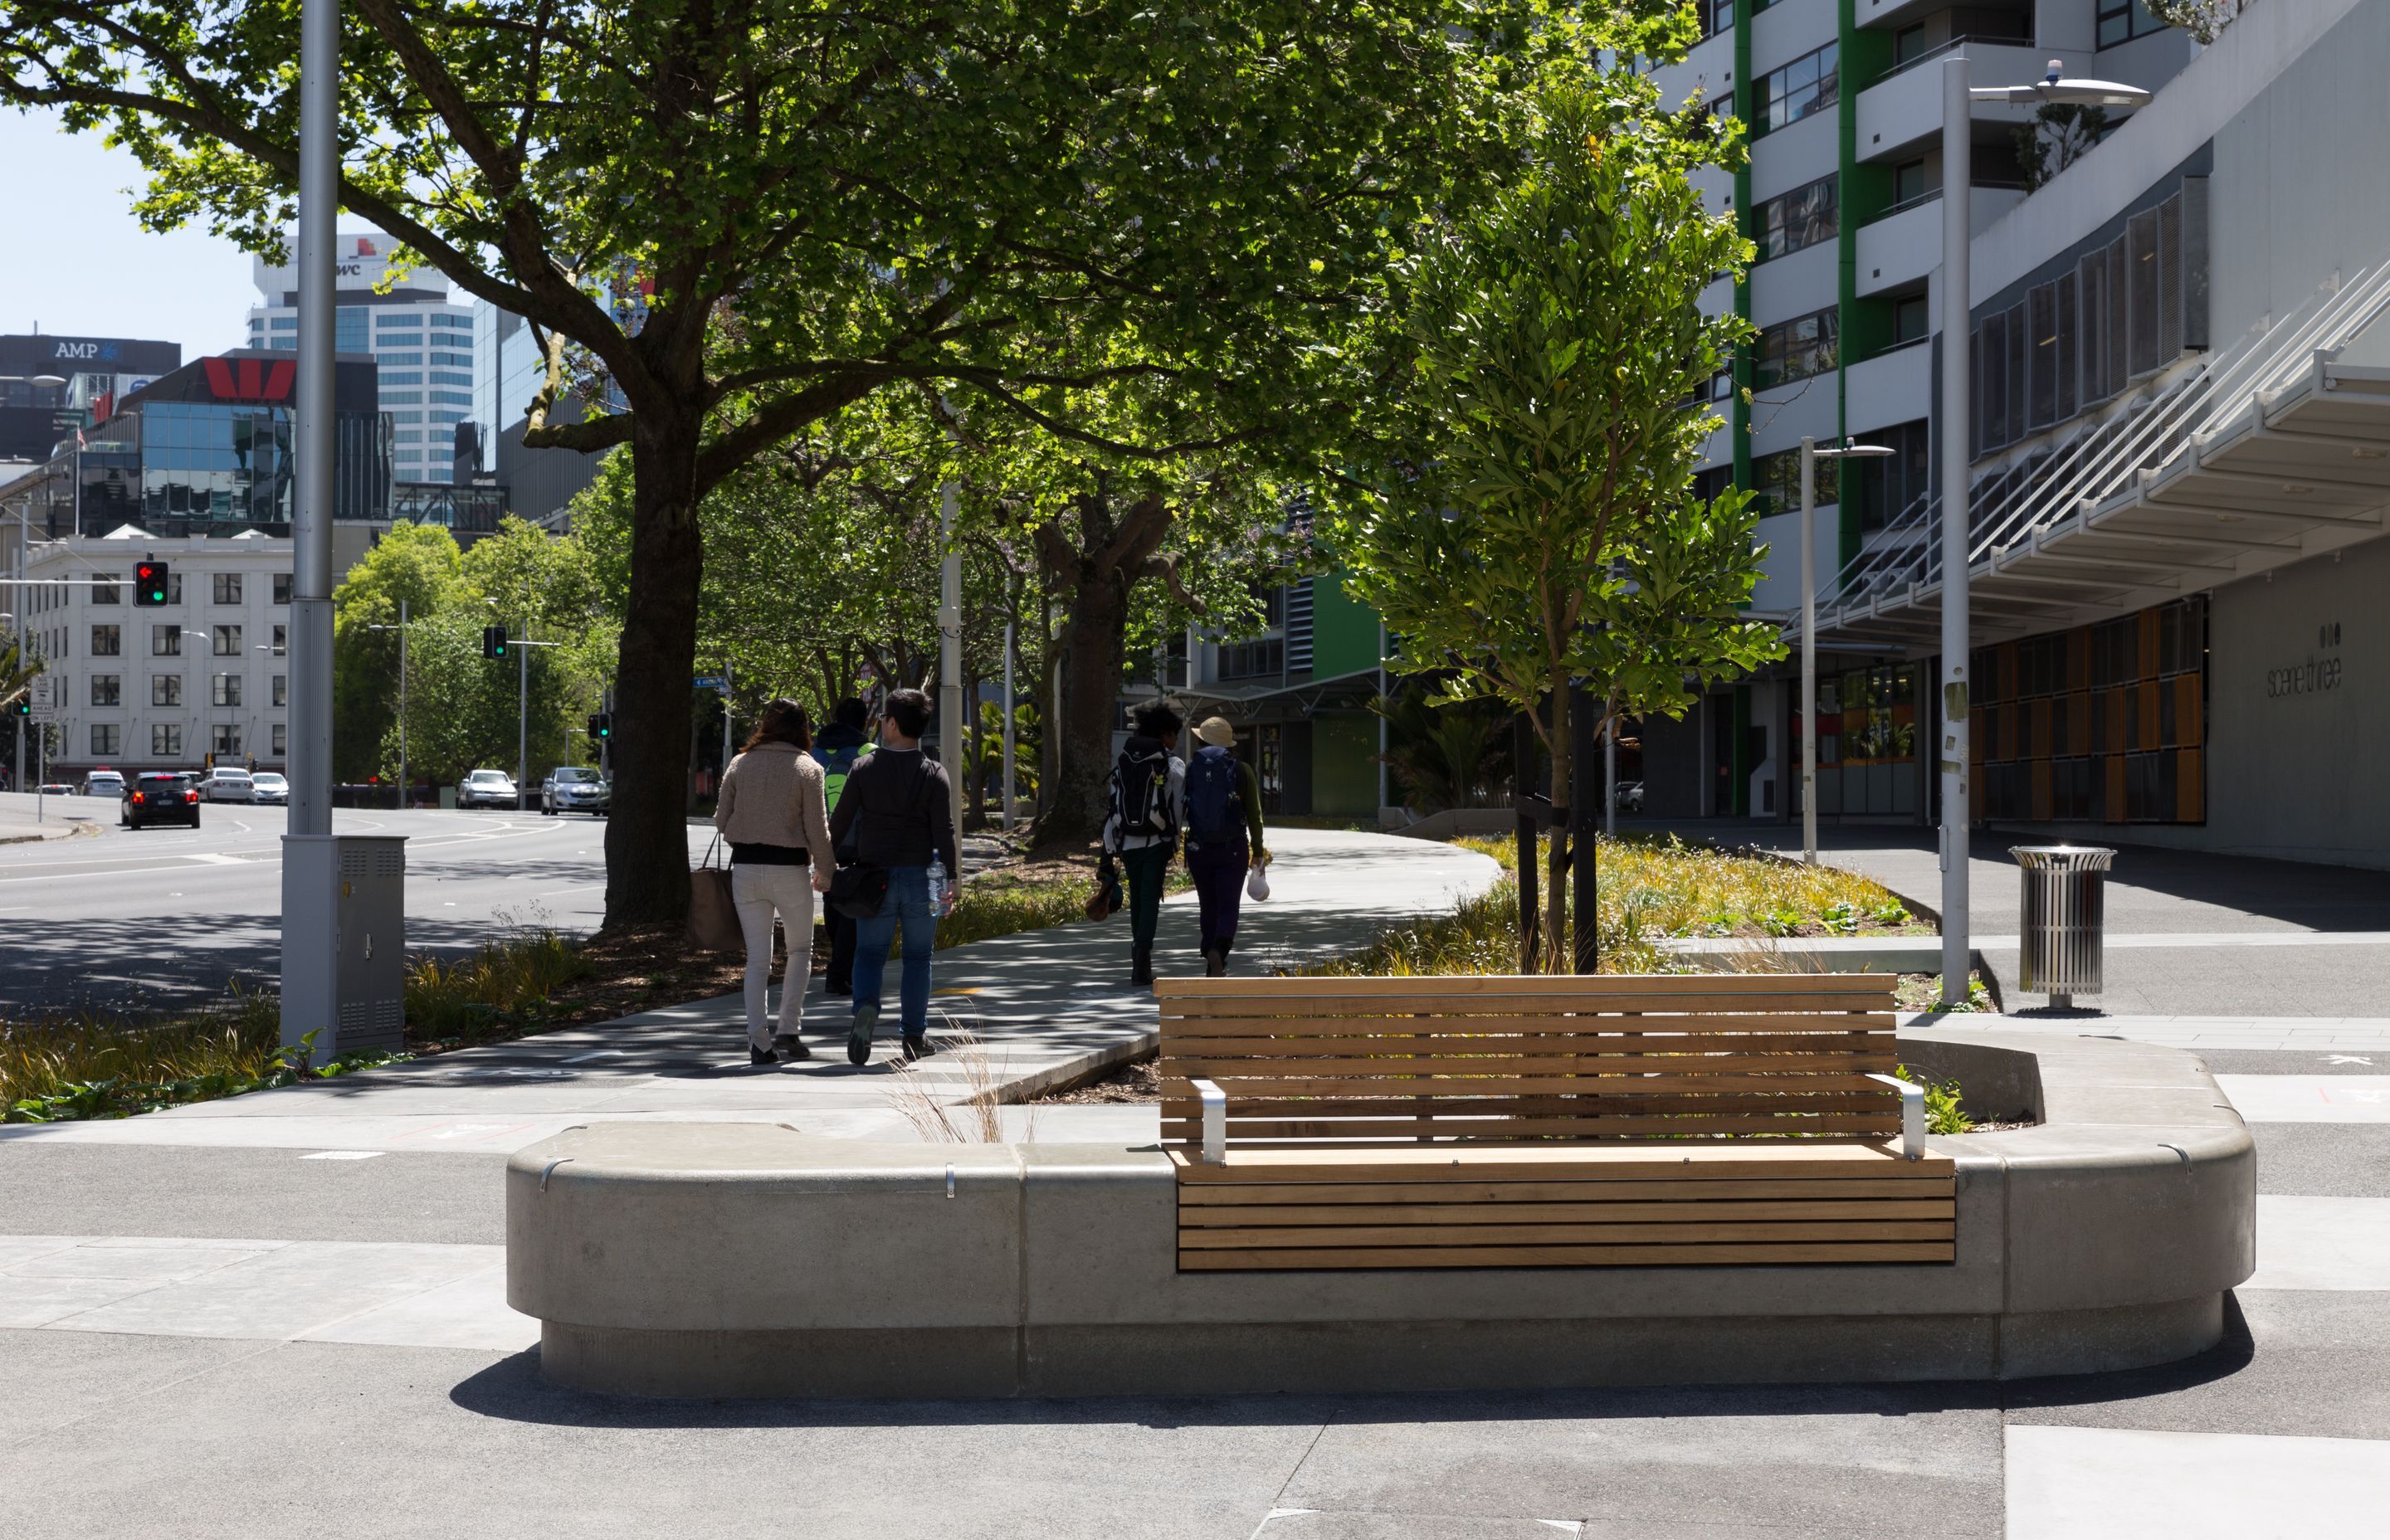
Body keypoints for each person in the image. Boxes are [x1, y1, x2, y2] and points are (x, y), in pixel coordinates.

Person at [829, 686, 958, 1065]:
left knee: (869, 953)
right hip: (922, 877)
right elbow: (944, 831)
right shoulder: (935, 773)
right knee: (919, 958)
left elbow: (838, 825)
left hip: (874, 879)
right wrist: (949, 878)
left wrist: (823, 865)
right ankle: (914, 1036)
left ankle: (866, 1010)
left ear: (891, 724)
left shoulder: (864, 768)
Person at [713, 698, 837, 1065]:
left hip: (747, 869)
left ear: (765, 724)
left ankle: (758, 1041)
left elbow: (721, 819)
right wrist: (826, 871)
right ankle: (788, 1027)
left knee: (757, 960)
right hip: (790, 870)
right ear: (803, 728)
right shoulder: (808, 768)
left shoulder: (740, 763)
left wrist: (744, 829)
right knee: (800, 950)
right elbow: (818, 829)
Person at [1101, 700, 1184, 987]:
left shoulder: (1125, 760)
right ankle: (1142, 962)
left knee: (1138, 898)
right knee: (1150, 899)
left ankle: (1137, 957)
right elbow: (1175, 809)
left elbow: (1114, 802)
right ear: (1164, 734)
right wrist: (1174, 839)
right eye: (1174, 734)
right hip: (1156, 841)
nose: (1176, 740)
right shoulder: (1172, 764)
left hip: (1127, 840)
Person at [1181, 716, 1270, 977]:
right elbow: (1255, 815)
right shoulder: (1242, 770)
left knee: (1207, 904)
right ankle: (1219, 951)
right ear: (1229, 744)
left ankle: (1209, 954)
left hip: (1199, 849)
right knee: (1228, 906)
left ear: (1202, 740)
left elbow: (1181, 807)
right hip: (1232, 848)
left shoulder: (1191, 768)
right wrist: (1259, 850)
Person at [811, 697, 872, 997]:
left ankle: (838, 966)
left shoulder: (815, 752)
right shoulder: (869, 753)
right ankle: (839, 973)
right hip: (861, 842)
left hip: (823, 842)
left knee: (833, 902)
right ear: (865, 721)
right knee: (854, 906)